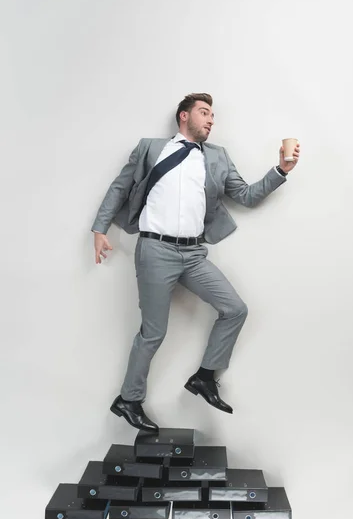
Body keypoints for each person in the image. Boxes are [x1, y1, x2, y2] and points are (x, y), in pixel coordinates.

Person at [91, 93, 300, 433]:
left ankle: (204, 377)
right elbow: (119, 188)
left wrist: (280, 170)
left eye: (213, 115)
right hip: (155, 251)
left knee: (235, 308)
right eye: (204, 113)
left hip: (193, 254)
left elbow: (245, 195)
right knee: (153, 332)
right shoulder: (150, 148)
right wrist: (99, 230)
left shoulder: (216, 157)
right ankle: (128, 399)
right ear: (184, 116)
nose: (211, 120)